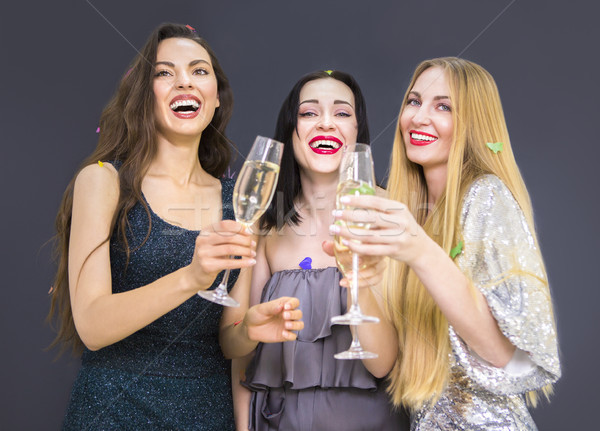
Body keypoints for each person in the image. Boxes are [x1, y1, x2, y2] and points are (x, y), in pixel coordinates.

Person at [47, 23, 302, 430]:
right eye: (164, 73)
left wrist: (250, 328)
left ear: (216, 97)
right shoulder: (102, 182)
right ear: (144, 96)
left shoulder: (239, 199)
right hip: (112, 412)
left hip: (206, 414)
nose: (184, 80)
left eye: (199, 71)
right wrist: (192, 276)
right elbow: (92, 325)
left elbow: (226, 335)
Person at [330, 57, 561, 430]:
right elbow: (380, 363)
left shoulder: (486, 196)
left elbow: (505, 355)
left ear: (472, 123)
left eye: (443, 106)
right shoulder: (410, 216)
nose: (419, 117)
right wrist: (361, 281)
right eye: (414, 101)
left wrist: (421, 251)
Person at [233, 70, 410, 431]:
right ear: (290, 131)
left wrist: (355, 275)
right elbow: (241, 357)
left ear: (357, 133)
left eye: (342, 113)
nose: (326, 123)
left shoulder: (391, 215)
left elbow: (382, 363)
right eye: (309, 113)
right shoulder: (266, 227)